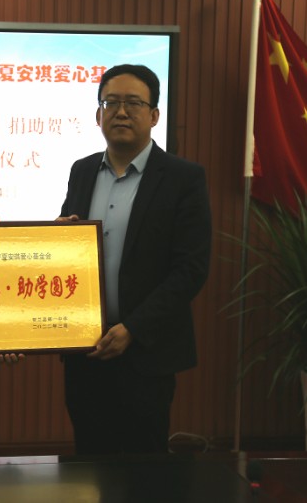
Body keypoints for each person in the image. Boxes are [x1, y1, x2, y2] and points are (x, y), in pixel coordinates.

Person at [56, 64, 212, 455]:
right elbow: (67, 248)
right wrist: (59, 237)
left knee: (143, 471)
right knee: (88, 463)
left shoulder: (183, 178)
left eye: (133, 103)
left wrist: (133, 329)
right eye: (111, 102)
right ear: (98, 114)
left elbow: (190, 269)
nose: (121, 112)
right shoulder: (82, 171)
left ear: (154, 115)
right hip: (85, 351)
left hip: (146, 352)